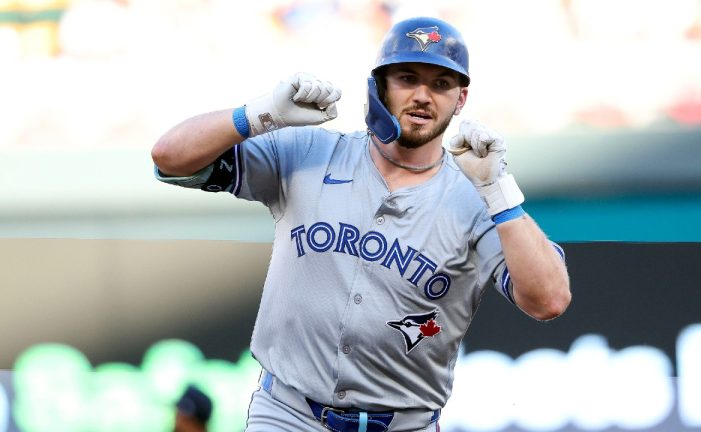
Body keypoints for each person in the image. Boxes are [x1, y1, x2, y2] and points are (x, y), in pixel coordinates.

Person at [152, 16, 571, 432]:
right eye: (408, 77)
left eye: (441, 84)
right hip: (287, 414)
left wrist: (500, 194)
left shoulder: (478, 198)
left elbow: (549, 300)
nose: (423, 96)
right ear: (380, 85)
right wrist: (258, 114)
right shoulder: (311, 152)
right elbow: (169, 157)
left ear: (460, 99)